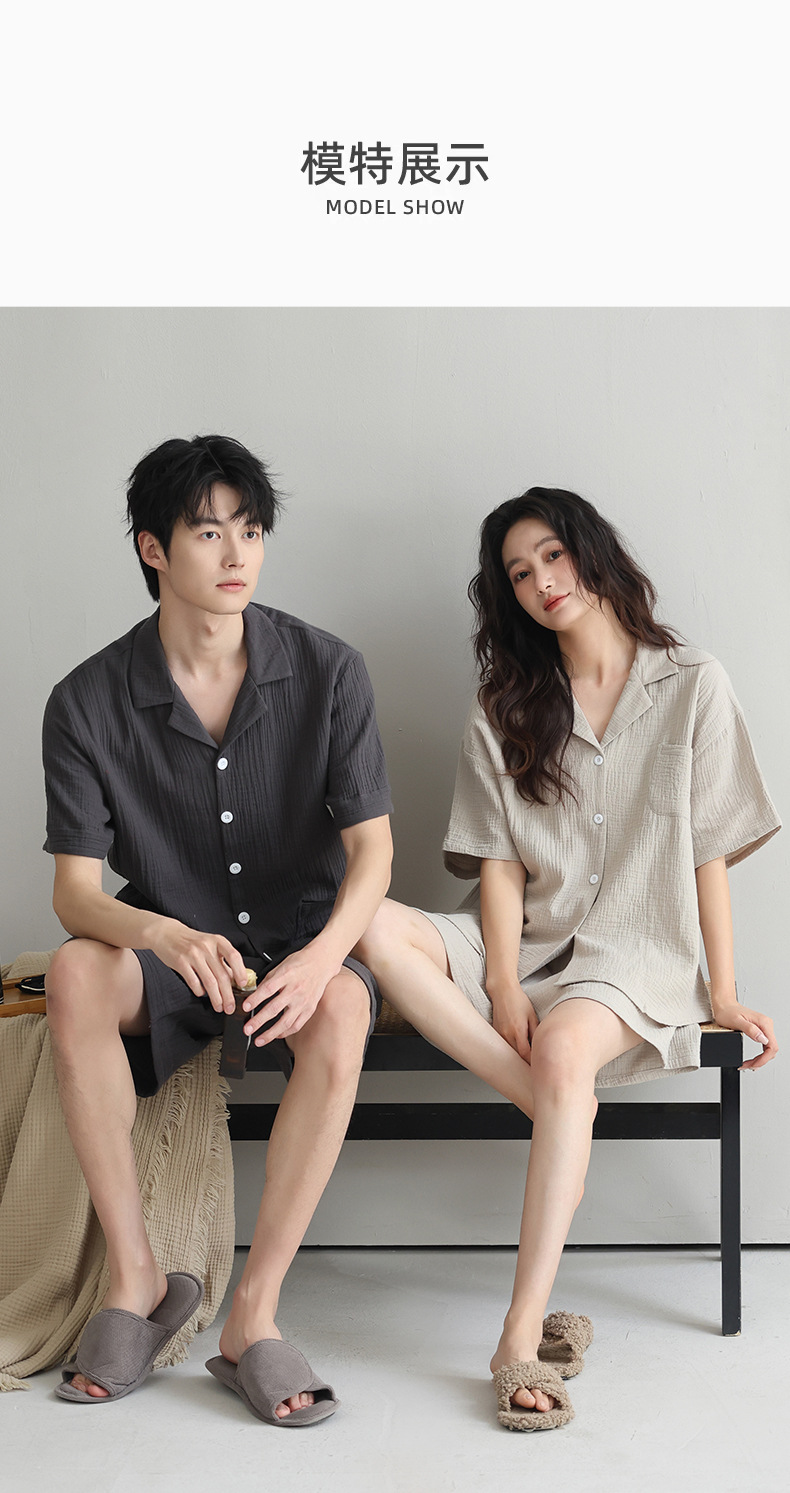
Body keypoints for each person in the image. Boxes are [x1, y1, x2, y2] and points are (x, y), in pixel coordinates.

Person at [356, 486, 780, 1432]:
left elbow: (708, 852)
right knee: (374, 926)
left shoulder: (693, 683)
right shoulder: (505, 702)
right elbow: (499, 864)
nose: (542, 581)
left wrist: (722, 992)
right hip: (522, 936)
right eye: (519, 572)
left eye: (552, 555)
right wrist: (501, 979)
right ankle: (554, 1099)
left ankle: (517, 1332)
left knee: (564, 1050)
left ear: (591, 552)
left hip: (633, 952)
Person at [42, 435, 393, 1424]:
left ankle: (253, 1315)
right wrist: (158, 933)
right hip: (173, 955)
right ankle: (137, 1279)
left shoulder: (329, 670)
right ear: (154, 549)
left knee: (342, 1006)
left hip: (297, 949)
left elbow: (373, 853)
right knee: (74, 971)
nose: (238, 553)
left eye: (251, 529)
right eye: (207, 532)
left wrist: (322, 958)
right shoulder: (85, 699)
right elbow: (75, 893)